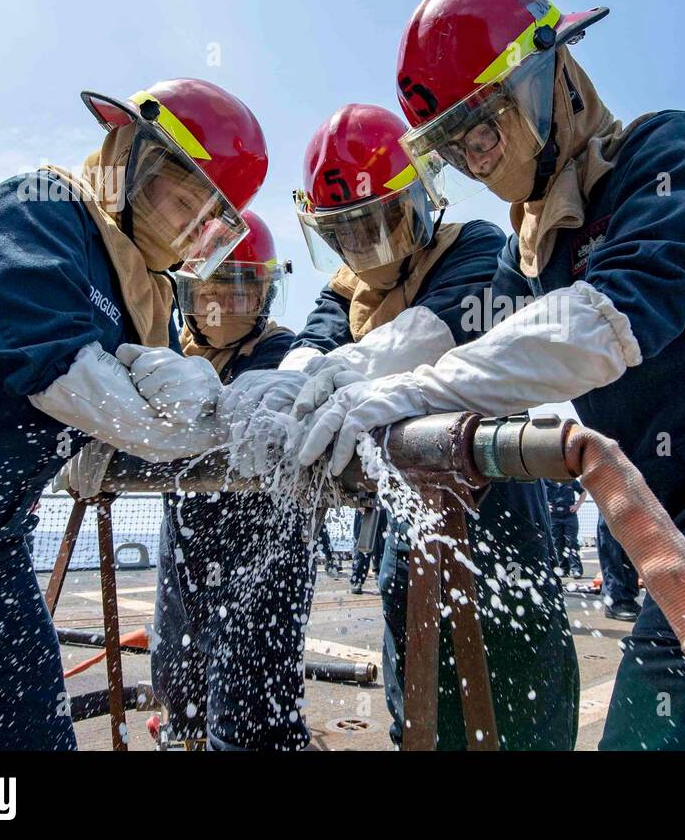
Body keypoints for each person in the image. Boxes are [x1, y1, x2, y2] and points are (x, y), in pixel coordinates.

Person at [293, 0, 685, 750]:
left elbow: (603, 323)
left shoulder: (672, 154)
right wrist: (327, 381)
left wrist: (401, 393)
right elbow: (458, 340)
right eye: (455, 147)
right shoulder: (534, 247)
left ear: (552, 73)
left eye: (485, 127)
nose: (477, 160)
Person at [143, 103, 580, 750]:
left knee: (518, 683)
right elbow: (308, 354)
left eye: (381, 225)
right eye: (346, 234)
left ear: (424, 202)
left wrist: (325, 377)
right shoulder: (345, 291)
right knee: (416, 677)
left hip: (493, 501)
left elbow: (426, 335)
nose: (366, 252)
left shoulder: (480, 247)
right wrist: (275, 393)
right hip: (410, 505)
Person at [0, 78, 267, 750]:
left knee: (28, 734)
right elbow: (55, 363)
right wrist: (221, 430)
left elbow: (129, 417)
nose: (192, 229)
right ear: (130, 157)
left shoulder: (145, 296)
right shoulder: (36, 208)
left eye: (210, 222)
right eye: (184, 201)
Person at [134, 210, 315, 750]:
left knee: (250, 701)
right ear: (188, 293)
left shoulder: (286, 358)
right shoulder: (168, 353)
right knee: (176, 674)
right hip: (184, 541)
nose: (230, 303)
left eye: (245, 289)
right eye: (215, 287)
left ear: (265, 295)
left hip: (269, 549)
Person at [545, 479, 585, 578]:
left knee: (571, 542)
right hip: (554, 516)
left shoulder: (570, 480)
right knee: (557, 543)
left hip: (569, 515)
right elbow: (537, 494)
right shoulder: (546, 480)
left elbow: (583, 492)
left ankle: (576, 569)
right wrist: (545, 504)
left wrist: (577, 505)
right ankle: (563, 569)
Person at [349, 507, 388, 595]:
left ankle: (380, 575)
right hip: (366, 502)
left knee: (382, 540)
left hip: (383, 503)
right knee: (363, 542)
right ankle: (358, 579)